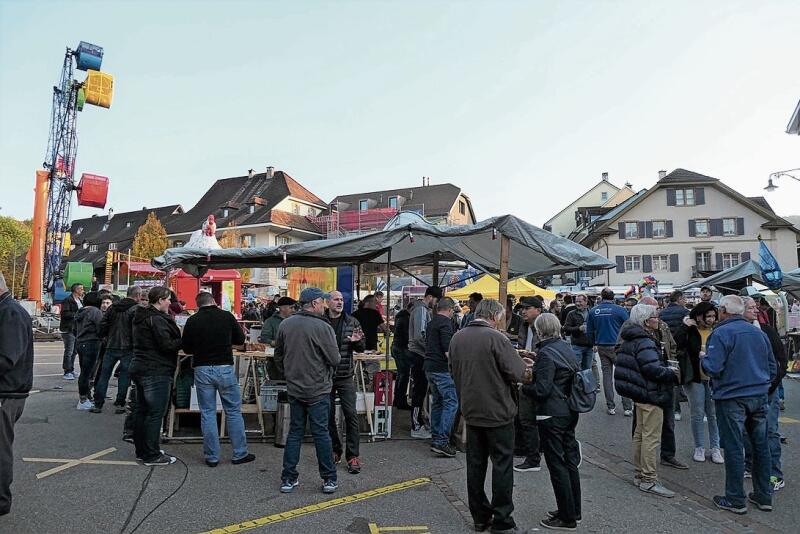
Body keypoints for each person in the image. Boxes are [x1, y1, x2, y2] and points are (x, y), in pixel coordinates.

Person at [449, 299, 528, 533]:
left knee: (475, 465)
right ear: (494, 316)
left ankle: (480, 516)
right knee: (502, 465)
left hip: (471, 410)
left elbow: (454, 370)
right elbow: (518, 372)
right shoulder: (496, 338)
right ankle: (502, 519)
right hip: (497, 411)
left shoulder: (458, 337)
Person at [701, 295, 776, 514]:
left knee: (734, 448)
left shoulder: (721, 333)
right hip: (758, 394)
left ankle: (735, 498)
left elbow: (713, 367)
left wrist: (702, 358)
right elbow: (772, 366)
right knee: (761, 446)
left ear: (724, 310)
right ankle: (764, 495)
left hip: (732, 396)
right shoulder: (757, 332)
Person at [275, 287, 341, 494]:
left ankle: (288, 478)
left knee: (294, 432)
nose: (324, 305)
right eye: (322, 302)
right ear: (314, 303)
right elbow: (335, 359)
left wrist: (289, 374)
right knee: (321, 433)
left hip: (294, 388)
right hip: (318, 388)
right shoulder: (323, 327)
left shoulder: (285, 325)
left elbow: (278, 356)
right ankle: (329, 478)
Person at [182, 292, 254, 467]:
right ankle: (239, 453)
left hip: (202, 368)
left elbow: (186, 347)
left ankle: (212, 457)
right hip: (224, 368)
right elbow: (240, 339)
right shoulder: (226, 316)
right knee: (233, 411)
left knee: (207, 413)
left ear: (198, 304)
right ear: (214, 301)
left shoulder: (193, 320)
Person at [615, 304, 680, 497]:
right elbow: (652, 368)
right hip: (651, 393)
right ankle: (649, 479)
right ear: (646, 321)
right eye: (654, 317)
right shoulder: (645, 341)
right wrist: (671, 373)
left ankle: (640, 473)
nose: (658, 319)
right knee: (650, 437)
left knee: (640, 435)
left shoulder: (631, 338)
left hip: (639, 393)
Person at [530, 313, 582, 531]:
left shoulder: (545, 353)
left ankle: (566, 517)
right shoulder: (565, 347)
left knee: (557, 464)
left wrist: (523, 387)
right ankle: (573, 509)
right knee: (570, 461)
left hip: (551, 412)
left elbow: (541, 390)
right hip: (569, 409)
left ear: (540, 331)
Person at [129, 286, 182, 466]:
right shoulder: (157, 319)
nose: (170, 302)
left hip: (140, 366)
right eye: (168, 299)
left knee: (142, 411)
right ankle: (152, 455)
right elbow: (166, 345)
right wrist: (183, 339)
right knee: (155, 413)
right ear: (160, 300)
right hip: (156, 369)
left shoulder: (142, 317)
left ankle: (142, 450)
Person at [742, 297, 786, 492]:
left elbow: (781, 360)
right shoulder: (736, 331)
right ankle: (752, 465)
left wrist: (771, 386)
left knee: (770, 431)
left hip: (767, 390)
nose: (756, 310)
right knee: (747, 431)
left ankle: (775, 474)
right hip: (747, 392)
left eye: (755, 307)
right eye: (750, 307)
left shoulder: (766, 330)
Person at [0, 272, 34, 516]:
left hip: (6, 393)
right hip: (8, 391)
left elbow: (5, 358)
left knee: (0, 450)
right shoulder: (7, 310)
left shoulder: (10, 313)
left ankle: (1, 501)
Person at [674, 302, 722, 463]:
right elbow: (676, 343)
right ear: (698, 315)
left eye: (713, 316)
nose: (711, 319)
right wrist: (685, 326)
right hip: (694, 376)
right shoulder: (690, 330)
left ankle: (716, 448)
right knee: (697, 413)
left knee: (713, 414)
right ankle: (699, 447)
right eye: (707, 316)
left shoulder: (717, 331)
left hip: (714, 377)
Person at [324, 290, 365, 473]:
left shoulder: (352, 322)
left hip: (345, 376)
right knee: (328, 416)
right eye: (336, 299)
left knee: (351, 414)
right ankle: (335, 450)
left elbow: (362, 347)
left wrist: (357, 342)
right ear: (327, 302)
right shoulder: (320, 321)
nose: (340, 302)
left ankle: (352, 455)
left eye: (341, 299)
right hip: (325, 376)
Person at [92, 286, 140, 414]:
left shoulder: (113, 308)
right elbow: (137, 329)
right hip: (128, 347)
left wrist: (103, 336)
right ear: (138, 295)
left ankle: (98, 403)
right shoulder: (135, 309)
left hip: (111, 345)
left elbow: (103, 324)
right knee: (124, 376)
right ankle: (120, 403)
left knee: (104, 375)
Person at [586, 288, 631, 416]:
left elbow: (589, 331)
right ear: (613, 297)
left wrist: (593, 343)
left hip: (602, 346)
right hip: (618, 347)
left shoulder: (594, 311)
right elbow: (629, 326)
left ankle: (611, 406)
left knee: (606, 376)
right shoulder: (620, 310)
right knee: (623, 375)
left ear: (601, 297)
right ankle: (627, 407)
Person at [424, 296, 458, 458]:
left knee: (437, 402)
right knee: (451, 402)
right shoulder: (445, 323)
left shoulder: (432, 322)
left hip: (429, 367)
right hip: (441, 368)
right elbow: (447, 351)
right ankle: (442, 440)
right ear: (450, 309)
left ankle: (436, 435)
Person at [514, 296, 544, 473]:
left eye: (527, 308)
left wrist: (533, 357)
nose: (523, 311)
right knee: (525, 417)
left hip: (537, 377)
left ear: (538, 310)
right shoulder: (524, 326)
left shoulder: (543, 326)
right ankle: (530, 450)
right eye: (522, 308)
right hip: (526, 374)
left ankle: (533, 457)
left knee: (530, 418)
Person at [408, 286, 442, 438]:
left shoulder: (420, 309)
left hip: (419, 354)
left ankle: (419, 423)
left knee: (420, 390)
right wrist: (430, 349)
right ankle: (416, 426)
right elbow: (419, 336)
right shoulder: (421, 310)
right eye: (436, 300)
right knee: (419, 391)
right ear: (431, 297)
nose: (435, 304)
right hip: (419, 354)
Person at [74, 291, 104, 410]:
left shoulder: (80, 311)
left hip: (80, 342)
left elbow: (73, 328)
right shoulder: (95, 312)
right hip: (91, 342)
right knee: (88, 373)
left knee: (84, 371)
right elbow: (100, 328)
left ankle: (83, 397)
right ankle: (83, 399)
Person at [563, 294, 594, 373]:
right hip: (576, 345)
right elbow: (566, 328)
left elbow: (597, 328)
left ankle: (587, 385)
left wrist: (596, 343)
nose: (577, 304)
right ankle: (577, 385)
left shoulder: (592, 312)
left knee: (588, 369)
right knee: (576, 368)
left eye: (580, 301)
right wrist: (578, 328)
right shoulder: (571, 313)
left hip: (590, 346)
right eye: (576, 301)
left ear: (586, 302)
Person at [59, 282, 84, 380]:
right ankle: (67, 371)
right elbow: (65, 313)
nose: (82, 291)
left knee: (74, 351)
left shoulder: (80, 300)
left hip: (77, 328)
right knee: (69, 350)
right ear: (76, 290)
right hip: (68, 328)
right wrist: (77, 314)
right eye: (81, 289)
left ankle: (71, 369)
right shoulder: (68, 300)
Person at [392, 302, 412, 410]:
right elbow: (407, 335)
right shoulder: (406, 319)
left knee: (401, 374)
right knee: (404, 375)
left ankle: (397, 399)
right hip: (402, 349)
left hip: (396, 347)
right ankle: (401, 401)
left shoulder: (400, 316)